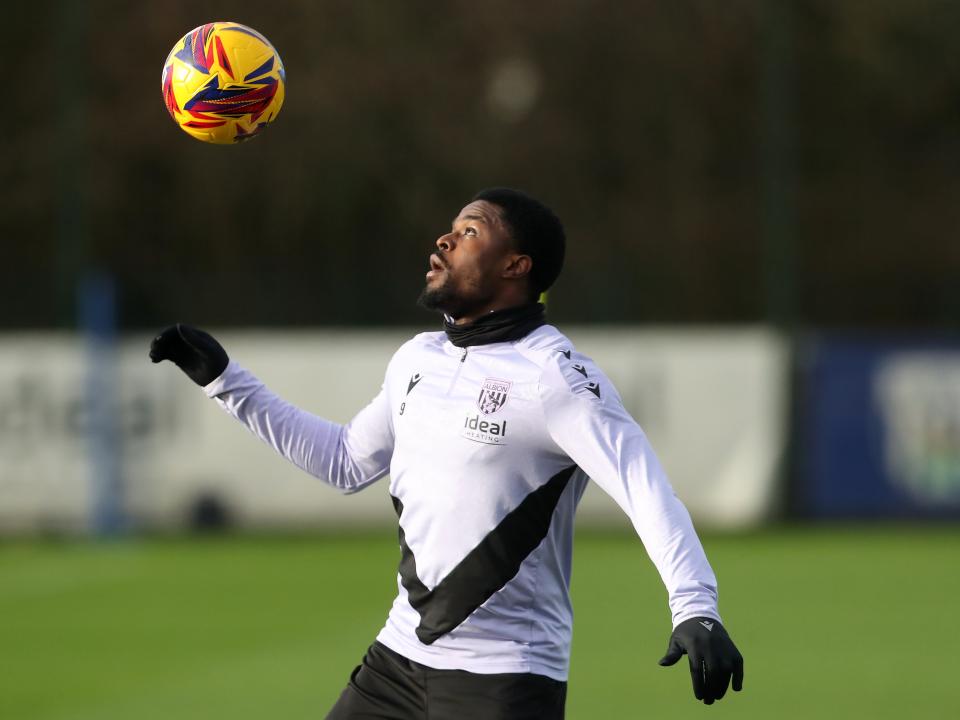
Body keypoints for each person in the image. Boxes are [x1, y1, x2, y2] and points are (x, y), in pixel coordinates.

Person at [150, 188, 744, 719]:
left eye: (470, 231)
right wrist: (225, 381)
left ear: (515, 266)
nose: (444, 239)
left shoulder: (557, 378)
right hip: (396, 664)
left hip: (505, 681)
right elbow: (344, 461)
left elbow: (646, 491)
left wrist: (695, 607)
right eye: (451, 229)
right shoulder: (418, 358)